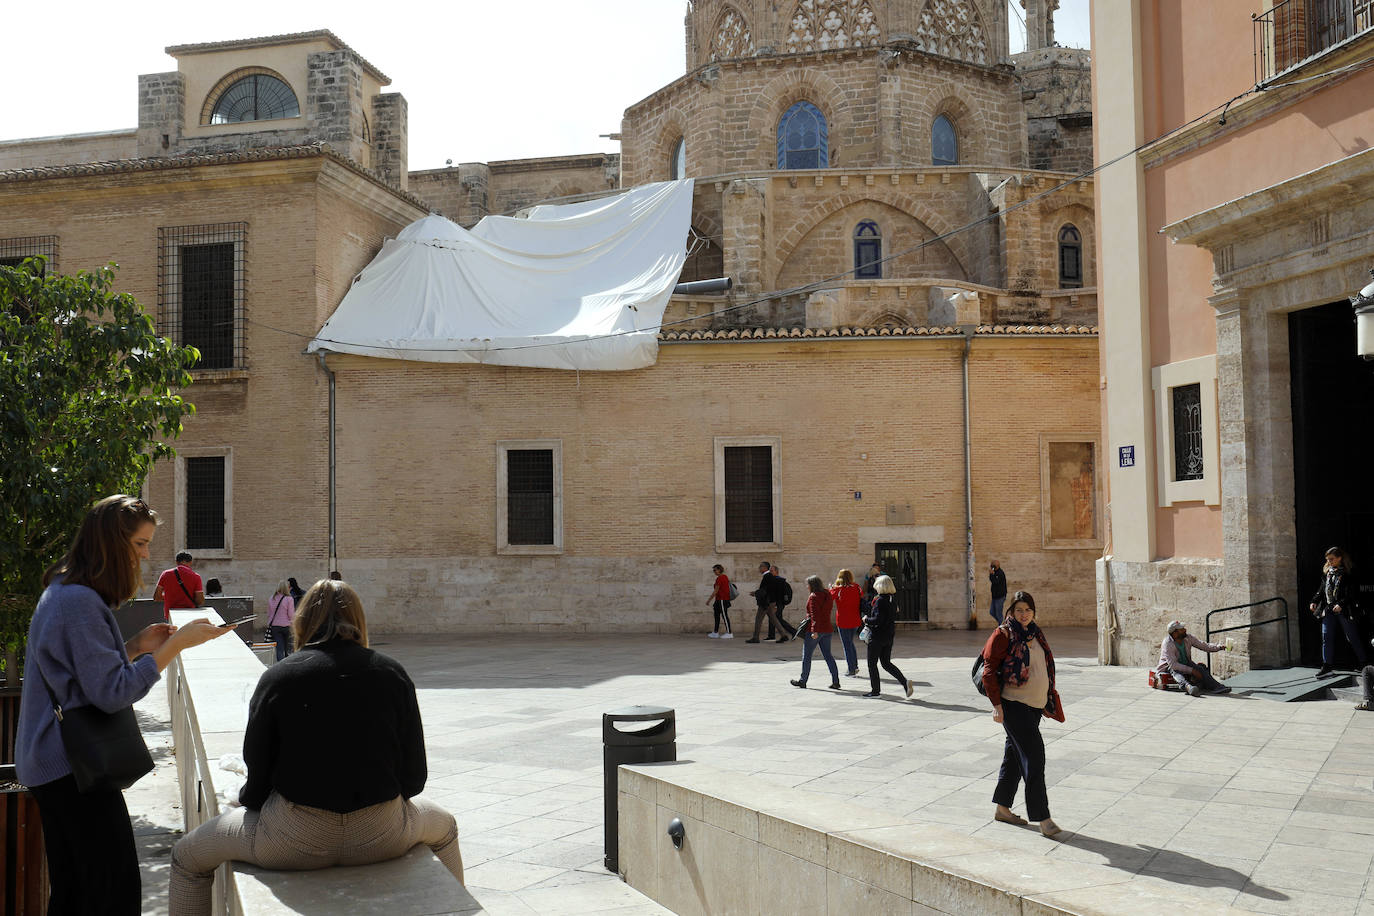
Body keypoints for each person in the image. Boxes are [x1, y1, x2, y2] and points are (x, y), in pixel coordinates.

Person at [169, 579, 465, 913]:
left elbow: (257, 783)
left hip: (292, 839)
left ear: (303, 620)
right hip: (382, 835)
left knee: (187, 858)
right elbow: (414, 780)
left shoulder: (279, 677)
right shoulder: (392, 674)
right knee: (447, 828)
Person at [14, 495, 236, 914]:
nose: (146, 555)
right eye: (139, 544)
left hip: (53, 763)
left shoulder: (64, 591)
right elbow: (112, 692)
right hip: (72, 769)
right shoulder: (78, 602)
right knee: (110, 895)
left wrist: (135, 646)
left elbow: (82, 674)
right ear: (110, 545)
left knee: (78, 892)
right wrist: (173, 647)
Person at [980, 590, 1064, 837]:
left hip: (1035, 706)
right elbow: (988, 671)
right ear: (1011, 612)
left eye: (1028, 610)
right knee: (1035, 758)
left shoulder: (1035, 632)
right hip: (1013, 705)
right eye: (1019, 610)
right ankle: (1043, 819)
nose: (1024, 614)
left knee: (1015, 757)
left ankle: (1002, 808)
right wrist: (996, 705)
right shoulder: (1003, 634)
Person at [1309, 546, 1369, 677]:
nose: (1329, 562)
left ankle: (1364, 664)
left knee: (1352, 636)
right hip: (1329, 609)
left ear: (1339, 558)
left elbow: (1352, 593)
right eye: (1328, 559)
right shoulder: (1328, 573)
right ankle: (1327, 666)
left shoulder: (1348, 573)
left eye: (1332, 559)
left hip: (1344, 609)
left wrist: (1341, 604)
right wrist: (1314, 600)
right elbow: (1321, 589)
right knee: (1326, 637)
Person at [861, 575, 914, 699]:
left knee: (872, 664)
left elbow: (878, 619)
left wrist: (866, 619)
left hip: (877, 636)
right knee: (886, 663)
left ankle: (875, 691)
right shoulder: (892, 599)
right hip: (888, 636)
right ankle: (905, 683)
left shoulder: (880, 600)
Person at [791, 576, 841, 690]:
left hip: (816, 630)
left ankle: (803, 681)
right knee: (828, 656)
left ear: (812, 585)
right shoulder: (827, 594)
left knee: (807, 656)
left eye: (807, 584)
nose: (806, 586)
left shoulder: (814, 596)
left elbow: (814, 615)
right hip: (827, 629)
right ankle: (836, 681)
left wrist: (814, 630)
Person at [1159, 620, 1230, 696]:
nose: (1185, 630)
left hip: (1186, 663)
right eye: (1181, 629)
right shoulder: (1167, 643)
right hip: (1169, 667)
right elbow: (1173, 664)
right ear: (1175, 633)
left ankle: (1217, 687)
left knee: (1200, 669)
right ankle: (1187, 687)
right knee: (1175, 671)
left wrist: (1219, 647)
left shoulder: (1188, 638)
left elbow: (1204, 645)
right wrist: (1192, 671)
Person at [747, 561, 794, 644]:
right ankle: (783, 635)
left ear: (765, 568)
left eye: (761, 566)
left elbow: (765, 590)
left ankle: (755, 637)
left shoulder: (767, 577)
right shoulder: (769, 576)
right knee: (774, 619)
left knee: (758, 619)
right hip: (770, 602)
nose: (759, 568)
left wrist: (755, 593)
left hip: (766, 603)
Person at [829, 569, 864, 677]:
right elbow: (861, 596)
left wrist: (831, 588)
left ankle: (851, 669)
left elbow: (829, 598)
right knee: (850, 642)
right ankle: (855, 666)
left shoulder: (838, 589)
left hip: (843, 620)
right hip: (855, 619)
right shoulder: (857, 587)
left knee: (846, 645)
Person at [154, 550, 205, 621]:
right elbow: (200, 601)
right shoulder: (196, 577)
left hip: (170, 615)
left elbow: (157, 597)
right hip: (189, 615)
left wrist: (169, 597)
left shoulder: (165, 574)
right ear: (190, 562)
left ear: (176, 562)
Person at [265, 580, 296, 662]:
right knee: (288, 648)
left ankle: (280, 664)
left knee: (279, 648)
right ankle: (287, 664)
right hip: (287, 626)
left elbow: (269, 613)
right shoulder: (289, 599)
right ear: (287, 588)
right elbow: (291, 614)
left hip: (275, 626)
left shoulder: (272, 598)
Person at [707, 564, 734, 638]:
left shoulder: (721, 578)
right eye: (713, 570)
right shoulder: (723, 577)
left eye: (715, 570)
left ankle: (729, 633)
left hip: (722, 599)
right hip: (718, 600)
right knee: (716, 615)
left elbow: (716, 591)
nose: (714, 572)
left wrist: (709, 600)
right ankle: (715, 632)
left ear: (719, 570)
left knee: (724, 615)